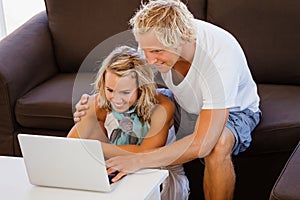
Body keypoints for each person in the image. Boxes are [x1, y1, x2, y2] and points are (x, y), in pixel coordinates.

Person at [74, 0, 261, 199]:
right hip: (183, 104)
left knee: (217, 146)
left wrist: (139, 160)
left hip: (233, 111)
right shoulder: (154, 41)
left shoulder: (219, 54)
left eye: (157, 52)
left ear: (183, 40)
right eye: (146, 50)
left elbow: (203, 143)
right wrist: (99, 100)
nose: (150, 59)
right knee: (98, 106)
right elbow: (127, 85)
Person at [68, 45, 189, 200]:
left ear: (142, 88)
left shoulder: (162, 107)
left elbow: (145, 154)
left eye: (125, 92)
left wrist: (95, 147)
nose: (117, 100)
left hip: (157, 176)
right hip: (116, 171)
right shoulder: (97, 103)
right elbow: (71, 146)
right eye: (110, 90)